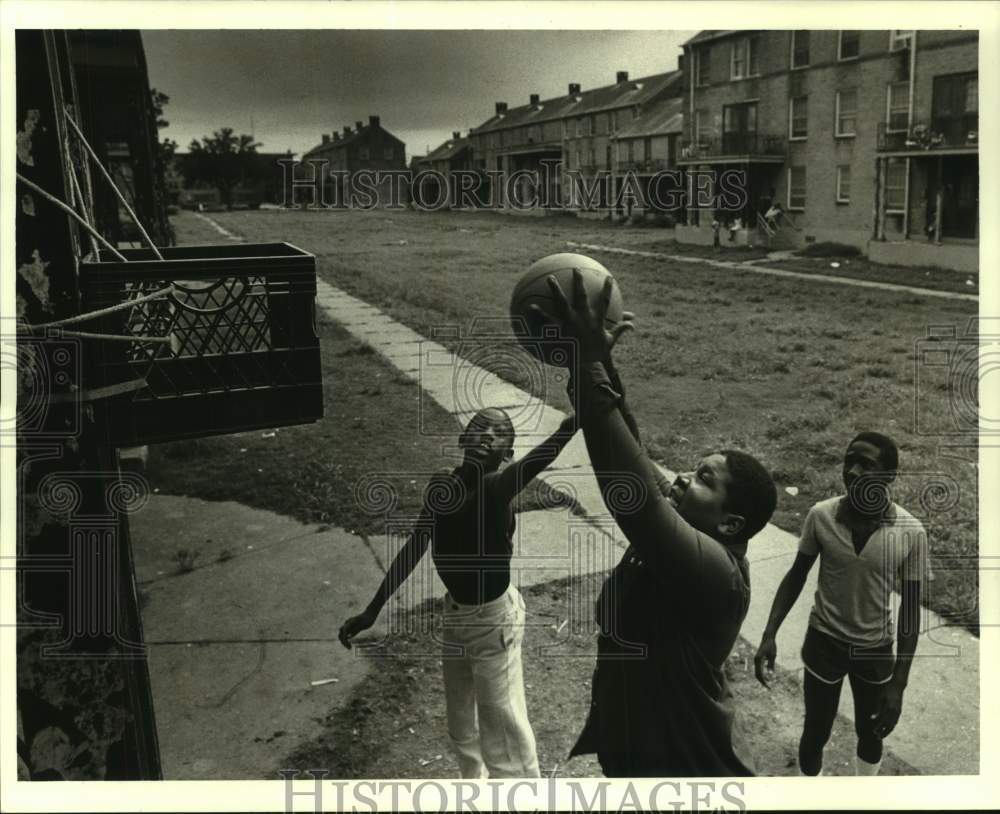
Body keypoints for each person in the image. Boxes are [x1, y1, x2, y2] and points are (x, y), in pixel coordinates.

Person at [533, 271, 778, 776]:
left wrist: (589, 363)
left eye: (704, 479)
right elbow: (635, 452)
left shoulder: (716, 572)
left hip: (689, 770)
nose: (684, 478)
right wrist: (596, 362)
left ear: (731, 525)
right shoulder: (686, 528)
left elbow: (634, 498)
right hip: (634, 752)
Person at [338, 407, 578, 778]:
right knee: (461, 725)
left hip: (494, 623)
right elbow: (415, 546)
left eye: (499, 435)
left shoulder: (496, 488)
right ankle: (474, 789)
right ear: (464, 438)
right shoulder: (443, 487)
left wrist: (568, 428)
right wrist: (373, 610)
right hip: (458, 618)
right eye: (480, 427)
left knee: (505, 736)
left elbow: (534, 463)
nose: (487, 436)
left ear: (507, 455)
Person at [753, 432, 928, 776]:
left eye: (867, 464)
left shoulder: (911, 532)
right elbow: (796, 575)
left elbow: (910, 611)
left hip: (875, 651)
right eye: (849, 461)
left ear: (890, 475)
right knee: (815, 731)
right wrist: (769, 633)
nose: (853, 471)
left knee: (871, 733)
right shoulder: (821, 516)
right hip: (824, 642)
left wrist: (899, 683)